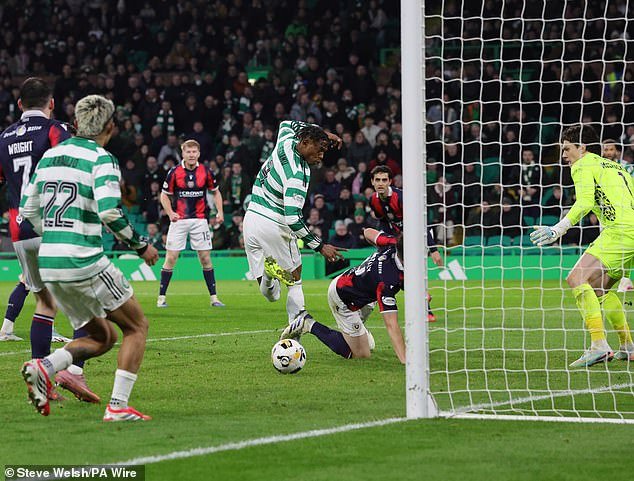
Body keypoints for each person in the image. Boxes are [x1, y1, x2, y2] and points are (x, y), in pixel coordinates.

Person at [20, 94, 159, 420]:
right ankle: (118, 407)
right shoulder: (102, 159)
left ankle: (44, 367)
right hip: (82, 260)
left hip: (50, 262)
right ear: (110, 127)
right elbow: (110, 211)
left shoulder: (50, 155)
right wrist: (141, 246)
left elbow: (27, 209)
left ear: (76, 123)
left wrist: (53, 235)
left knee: (103, 336)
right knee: (137, 326)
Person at [0, 78, 100, 403]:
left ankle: (41, 381)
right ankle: (74, 370)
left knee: (44, 303)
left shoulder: (4, 137)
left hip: (20, 230)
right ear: (52, 103)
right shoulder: (55, 130)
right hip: (54, 225)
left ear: (19, 105)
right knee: (88, 298)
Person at [531, 125, 634, 367]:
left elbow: (585, 202)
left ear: (582, 148)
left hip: (619, 232)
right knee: (600, 289)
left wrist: (558, 229)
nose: (564, 155)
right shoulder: (616, 166)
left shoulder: (583, 164)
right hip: (628, 233)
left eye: (567, 149)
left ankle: (599, 345)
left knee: (576, 278)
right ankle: (627, 345)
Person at [243, 120, 346, 324]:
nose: (321, 155)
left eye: (324, 150)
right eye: (319, 149)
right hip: (274, 224)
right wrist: (320, 246)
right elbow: (292, 218)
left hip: (251, 219)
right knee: (295, 280)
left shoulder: (286, 139)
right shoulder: (297, 174)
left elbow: (286, 123)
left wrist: (324, 133)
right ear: (306, 142)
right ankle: (296, 330)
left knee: (271, 295)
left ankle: (269, 274)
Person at [281, 229, 405, 363]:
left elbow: (367, 232)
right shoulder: (387, 280)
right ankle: (308, 323)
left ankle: (359, 334)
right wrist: (406, 361)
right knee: (362, 354)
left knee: (364, 342)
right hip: (344, 297)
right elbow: (391, 323)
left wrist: (380, 249)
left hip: (364, 292)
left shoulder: (392, 243)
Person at [369, 165, 443, 321]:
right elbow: (384, 220)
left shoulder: (401, 198)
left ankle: (427, 309)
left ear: (390, 182)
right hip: (400, 239)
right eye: (377, 180)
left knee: (411, 271)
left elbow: (421, 222)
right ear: (372, 182)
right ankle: (424, 298)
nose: (381, 183)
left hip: (419, 235)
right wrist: (385, 242)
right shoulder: (373, 200)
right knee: (402, 272)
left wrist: (433, 249)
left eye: (384, 180)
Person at [157, 139, 225, 307]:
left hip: (200, 220)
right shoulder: (174, 172)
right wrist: (170, 213)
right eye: (188, 152)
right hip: (179, 220)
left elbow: (216, 192)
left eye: (194, 152)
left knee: (205, 258)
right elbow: (164, 195)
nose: (191, 155)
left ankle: (214, 298)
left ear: (199, 153)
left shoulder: (206, 171)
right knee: (171, 258)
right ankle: (161, 298)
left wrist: (220, 211)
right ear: (183, 153)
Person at [603, 140, 634, 293]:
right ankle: (621, 279)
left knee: (627, 245)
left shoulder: (627, 167)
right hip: (608, 212)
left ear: (617, 151)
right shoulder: (600, 167)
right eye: (606, 150)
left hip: (628, 210)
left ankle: (625, 279)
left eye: (611, 149)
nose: (608, 152)